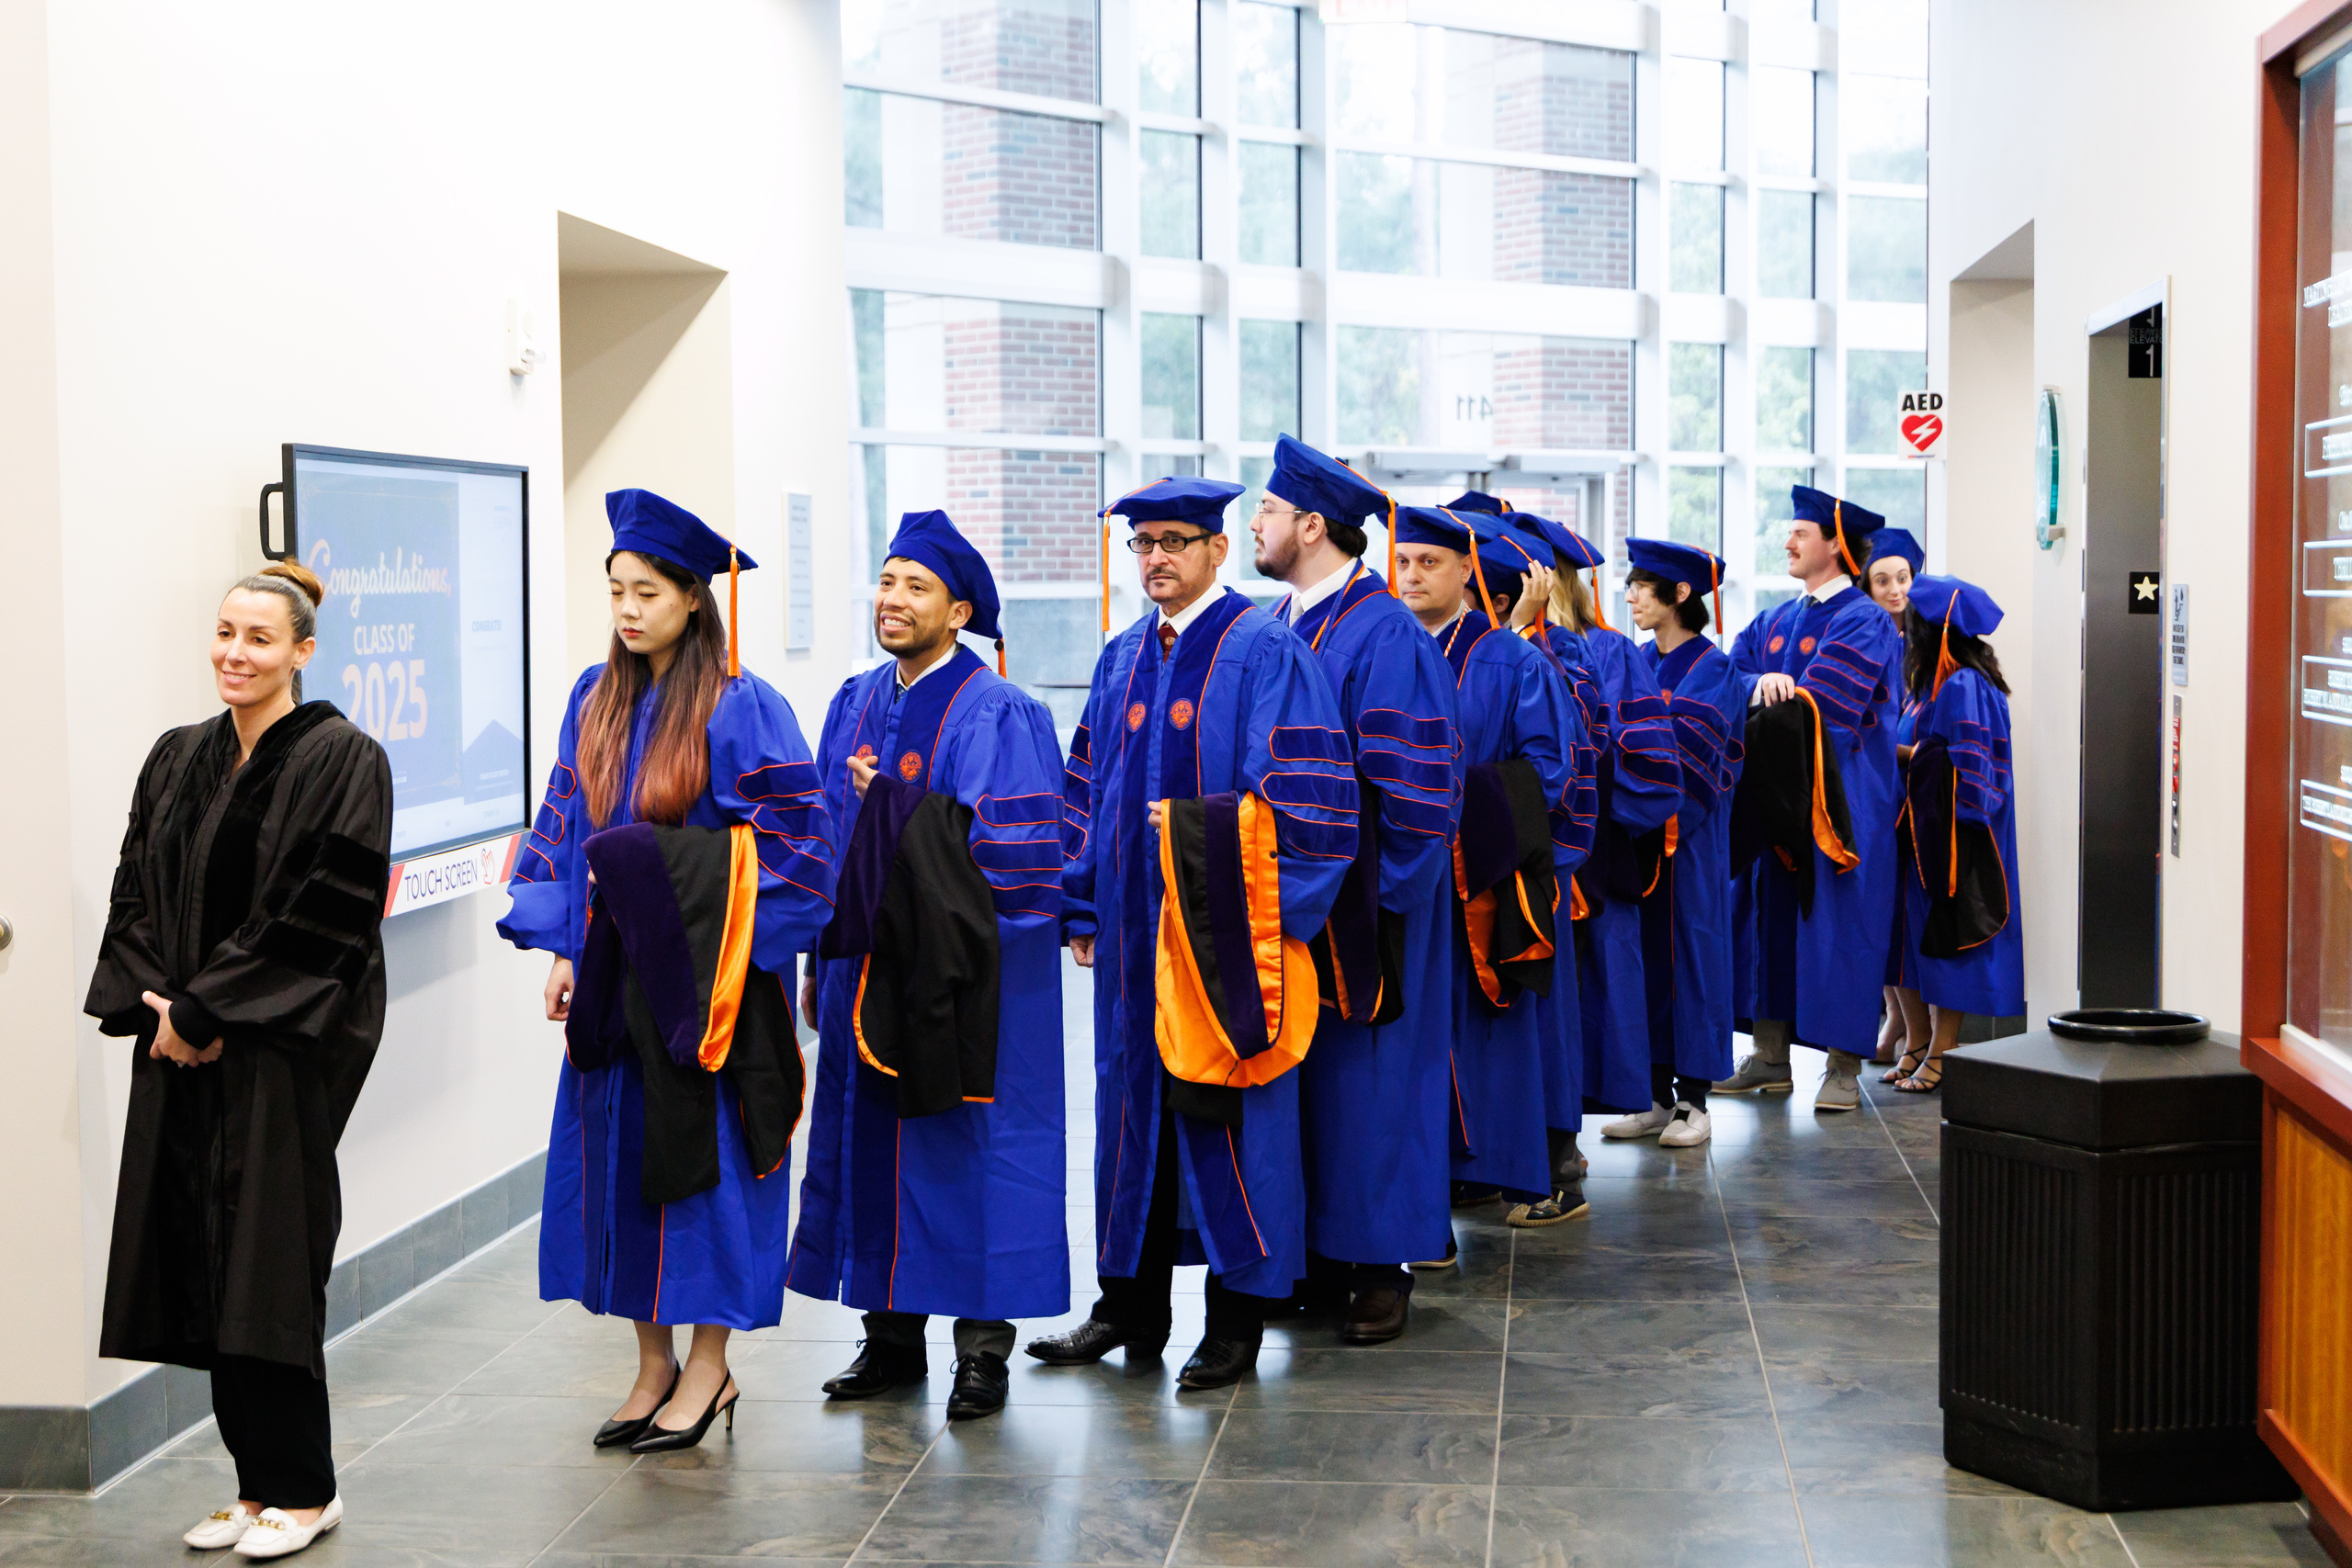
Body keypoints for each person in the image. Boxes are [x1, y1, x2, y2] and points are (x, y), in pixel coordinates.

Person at [498, 490, 836, 1451]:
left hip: (710, 983)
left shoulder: (742, 706)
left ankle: (710, 1367)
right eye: (615, 591)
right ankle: (651, 1364)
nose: (628, 609)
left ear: (695, 598)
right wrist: (565, 944)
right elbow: (568, 825)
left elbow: (801, 853)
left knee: (710, 1171)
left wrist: (706, 915)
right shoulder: (593, 700)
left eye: (648, 591)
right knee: (622, 1166)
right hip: (616, 975)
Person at [89, 560, 390, 1560]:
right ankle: (254, 1487)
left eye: (260, 639)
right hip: (180, 1054)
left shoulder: (345, 759)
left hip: (273, 1058)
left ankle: (307, 1490)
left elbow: (322, 918)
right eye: (226, 632)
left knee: (267, 1268)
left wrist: (213, 1008)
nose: (235, 653)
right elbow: (135, 892)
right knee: (203, 1275)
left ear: (302, 650)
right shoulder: (177, 755)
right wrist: (166, 1011)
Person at [1033, 476, 1355, 1390]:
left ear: (1218, 550)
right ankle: (1126, 1307)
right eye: (1143, 544)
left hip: (1224, 943)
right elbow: (1085, 788)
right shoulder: (1123, 654)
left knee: (1227, 1118)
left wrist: (1259, 926)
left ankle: (1236, 1317)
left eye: (1175, 541)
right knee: (1132, 1115)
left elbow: (1308, 803)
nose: (1157, 559)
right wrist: (1084, 903)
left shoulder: (1264, 650)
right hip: (1135, 946)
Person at [787, 511, 1069, 1417]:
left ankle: (982, 1353)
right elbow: (825, 839)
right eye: (886, 580)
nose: (892, 600)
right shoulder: (855, 700)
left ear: (956, 614)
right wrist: (814, 958)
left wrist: (907, 809)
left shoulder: (1001, 712)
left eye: (915, 587)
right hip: (867, 973)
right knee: (871, 1144)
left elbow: (1020, 859)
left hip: (966, 980)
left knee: (969, 1153)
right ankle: (889, 1339)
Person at [1251, 437, 1460, 1343]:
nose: (1252, 526)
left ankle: (1385, 1263)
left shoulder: (1385, 634)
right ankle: (1322, 1252)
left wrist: (1375, 898)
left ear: (1308, 524)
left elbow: (1418, 788)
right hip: (1287, 897)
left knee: (1376, 1086)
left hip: (1367, 903)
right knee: (1311, 1086)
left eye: (1264, 511)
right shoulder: (1275, 624)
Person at [1391, 505, 1574, 1254]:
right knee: (1410, 1051)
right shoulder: (1387, 652)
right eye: (1402, 562)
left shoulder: (1513, 661)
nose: (1411, 576)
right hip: (1402, 881)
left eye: (1428, 562)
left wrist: (1455, 803)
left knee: (1482, 1042)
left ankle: (1492, 1174)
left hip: (1480, 880)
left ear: (1468, 570)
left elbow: (1548, 772)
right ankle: (1421, 1203)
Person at [1488, 511, 1682, 1165]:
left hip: (1578, 857)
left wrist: (1588, 807)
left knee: (1576, 1007)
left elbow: (1642, 765)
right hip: (1516, 855)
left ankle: (1558, 1142)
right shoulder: (1483, 646)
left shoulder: (1602, 649)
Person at [1713, 486, 1903, 1111]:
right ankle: (1770, 1058)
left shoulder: (1865, 619)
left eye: (1799, 532)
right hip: (1772, 795)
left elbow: (1823, 711)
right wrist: (1753, 682)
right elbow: (1727, 676)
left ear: (1836, 544)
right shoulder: (1774, 619)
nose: (1787, 541)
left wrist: (1779, 694)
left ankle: (1844, 1066)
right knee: (1764, 922)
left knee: (1842, 927)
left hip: (1840, 804)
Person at [1617, 540, 1748, 1147]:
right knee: (1642, 960)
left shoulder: (1714, 668)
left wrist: (1647, 807)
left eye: (1644, 585)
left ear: (1680, 594)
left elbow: (1694, 766)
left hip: (1688, 842)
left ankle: (1694, 1099)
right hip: (1638, 839)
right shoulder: (1639, 660)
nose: (1631, 595)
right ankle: (1650, 1092)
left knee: (1691, 958)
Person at [1887, 575, 2024, 1089]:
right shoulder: (1929, 683)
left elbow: (1965, 771)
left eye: (1912, 621)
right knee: (1905, 940)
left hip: (1957, 837)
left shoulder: (1964, 684)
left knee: (1949, 940)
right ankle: (1918, 1042)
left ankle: (1943, 1050)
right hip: (1918, 828)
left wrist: (1896, 754)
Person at [1863, 528, 1929, 1074]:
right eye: (1881, 580)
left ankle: (1910, 1024)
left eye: (1902, 578)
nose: (1893, 590)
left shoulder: (1928, 640)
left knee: (1909, 916)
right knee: (1883, 912)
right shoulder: (1864, 636)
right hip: (1880, 786)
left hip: (1915, 788)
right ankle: (1894, 1015)